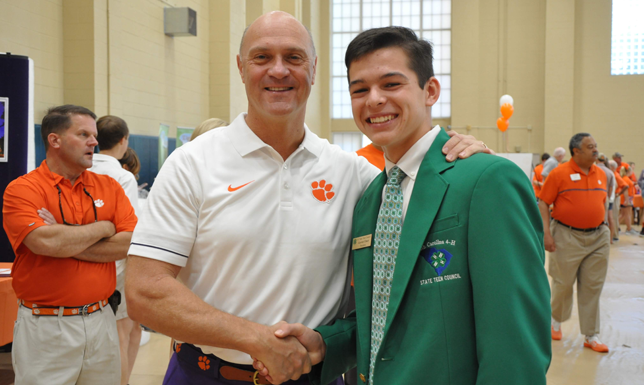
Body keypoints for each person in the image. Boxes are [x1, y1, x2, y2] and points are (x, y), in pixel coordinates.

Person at [125, 12, 489, 385]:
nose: (278, 70)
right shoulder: (192, 163)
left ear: (314, 69)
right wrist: (256, 339)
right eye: (262, 57)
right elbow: (144, 291)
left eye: (294, 58)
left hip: (315, 375)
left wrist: (461, 152)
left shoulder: (356, 176)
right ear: (240, 67)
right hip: (206, 374)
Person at [257, 26, 552, 385]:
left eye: (391, 84)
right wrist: (325, 344)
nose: (375, 100)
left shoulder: (485, 181)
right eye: (360, 89)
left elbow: (515, 341)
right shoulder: (370, 198)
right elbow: (384, 313)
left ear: (430, 91)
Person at [2, 105, 138, 384]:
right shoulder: (23, 189)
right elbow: (43, 242)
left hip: (102, 320)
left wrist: (64, 239)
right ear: (55, 140)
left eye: (95, 135)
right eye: (84, 134)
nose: (94, 142)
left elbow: (128, 243)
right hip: (47, 327)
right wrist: (104, 227)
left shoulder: (109, 187)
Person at [539, 133, 610, 353]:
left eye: (596, 146)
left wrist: (605, 225)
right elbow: (543, 203)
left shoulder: (602, 174)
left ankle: (591, 335)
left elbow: (603, 201)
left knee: (593, 286)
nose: (595, 150)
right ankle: (555, 321)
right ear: (576, 151)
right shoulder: (559, 174)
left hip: (598, 237)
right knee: (563, 282)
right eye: (590, 147)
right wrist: (546, 234)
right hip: (566, 235)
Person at [89, 115, 142, 385]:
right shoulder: (121, 176)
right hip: (116, 265)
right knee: (122, 333)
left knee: (129, 330)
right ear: (124, 140)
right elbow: (127, 228)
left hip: (90, 262)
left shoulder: (84, 169)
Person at [596, 154, 616, 243]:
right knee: (608, 218)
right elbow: (612, 187)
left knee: (597, 219)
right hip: (606, 197)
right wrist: (608, 196)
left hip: (595, 197)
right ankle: (610, 239)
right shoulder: (610, 172)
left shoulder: (593, 169)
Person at [619, 167, 636, 235]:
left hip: (628, 197)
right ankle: (629, 229)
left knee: (623, 214)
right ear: (628, 171)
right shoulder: (625, 179)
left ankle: (617, 226)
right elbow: (625, 189)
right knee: (627, 214)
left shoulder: (626, 178)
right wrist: (627, 200)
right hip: (627, 198)